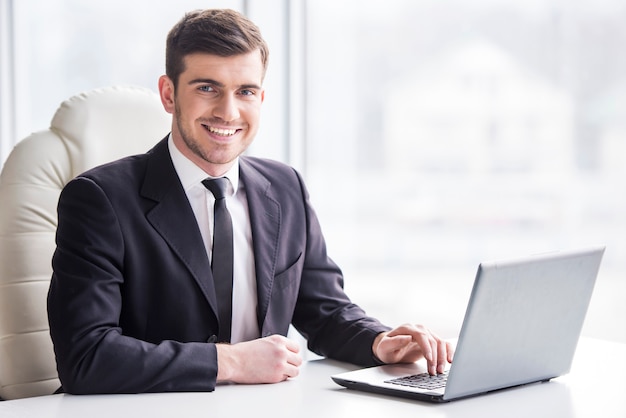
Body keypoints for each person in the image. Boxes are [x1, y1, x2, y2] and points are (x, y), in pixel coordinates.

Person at [47, 8, 453, 394]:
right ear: (168, 94)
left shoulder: (285, 186)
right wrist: (232, 363)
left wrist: (381, 342)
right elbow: (86, 356)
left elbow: (324, 310)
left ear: (261, 97)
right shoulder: (99, 199)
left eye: (245, 91)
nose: (228, 111)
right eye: (207, 88)